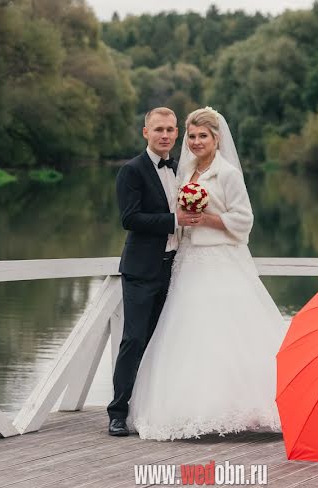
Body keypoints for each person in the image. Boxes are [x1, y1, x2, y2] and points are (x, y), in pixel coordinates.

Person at [127, 107, 286, 440]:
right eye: (192, 136)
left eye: (203, 136)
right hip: (189, 262)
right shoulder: (186, 172)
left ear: (217, 138)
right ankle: (194, 409)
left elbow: (244, 220)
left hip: (219, 260)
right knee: (189, 335)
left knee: (226, 333)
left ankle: (243, 408)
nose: (197, 142)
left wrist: (210, 220)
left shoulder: (227, 173)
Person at [107, 107, 201, 437]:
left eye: (171, 129)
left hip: (174, 269)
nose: (165, 135)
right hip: (140, 270)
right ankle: (117, 412)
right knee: (134, 339)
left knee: (167, 342)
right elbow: (129, 219)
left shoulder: (182, 171)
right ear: (145, 132)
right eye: (158, 129)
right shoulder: (131, 171)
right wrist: (175, 221)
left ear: (177, 134)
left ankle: (153, 409)